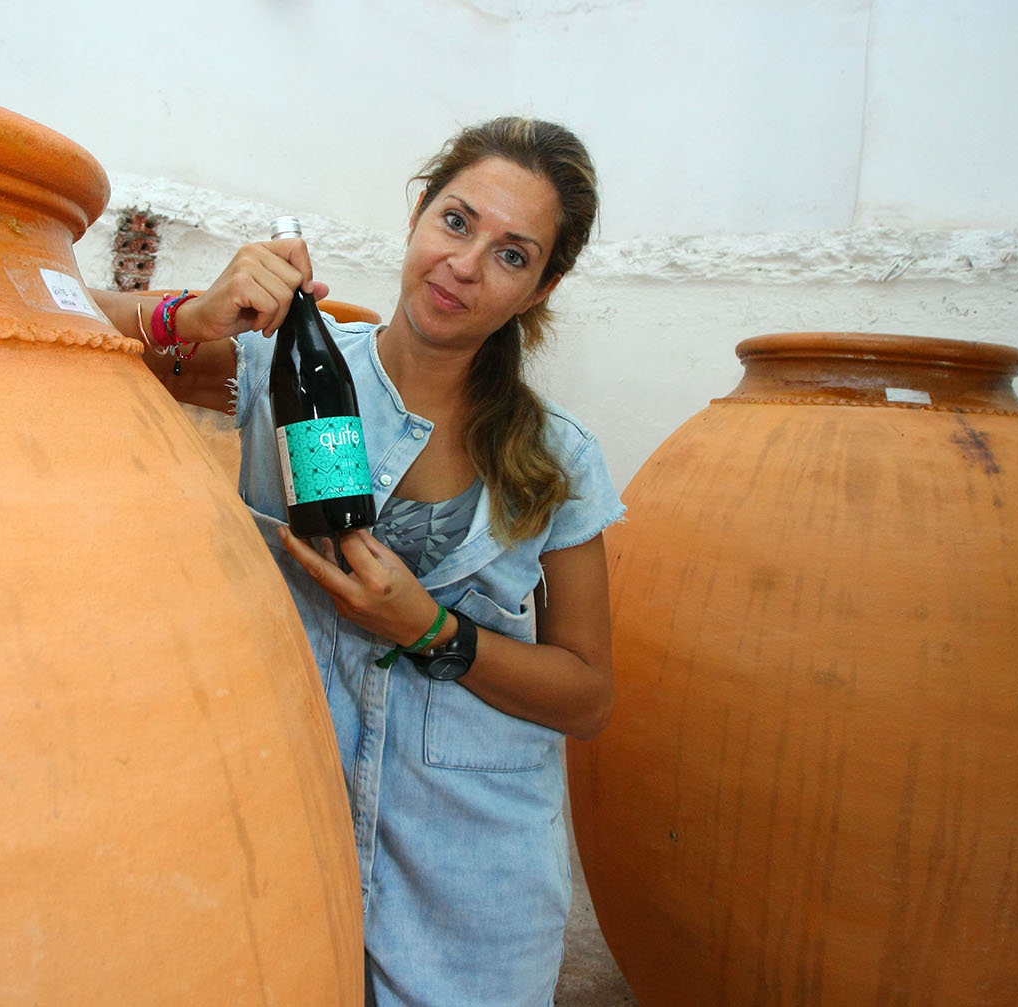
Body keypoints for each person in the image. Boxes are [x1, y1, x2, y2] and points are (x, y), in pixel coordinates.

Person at [93, 116, 623, 1007]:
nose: (464, 264)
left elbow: (588, 693)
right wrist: (189, 313)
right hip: (293, 844)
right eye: (456, 221)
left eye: (512, 254)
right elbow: (45, 311)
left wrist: (431, 628)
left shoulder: (559, 458)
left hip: (475, 884)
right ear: (418, 214)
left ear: (542, 287)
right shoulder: (276, 368)